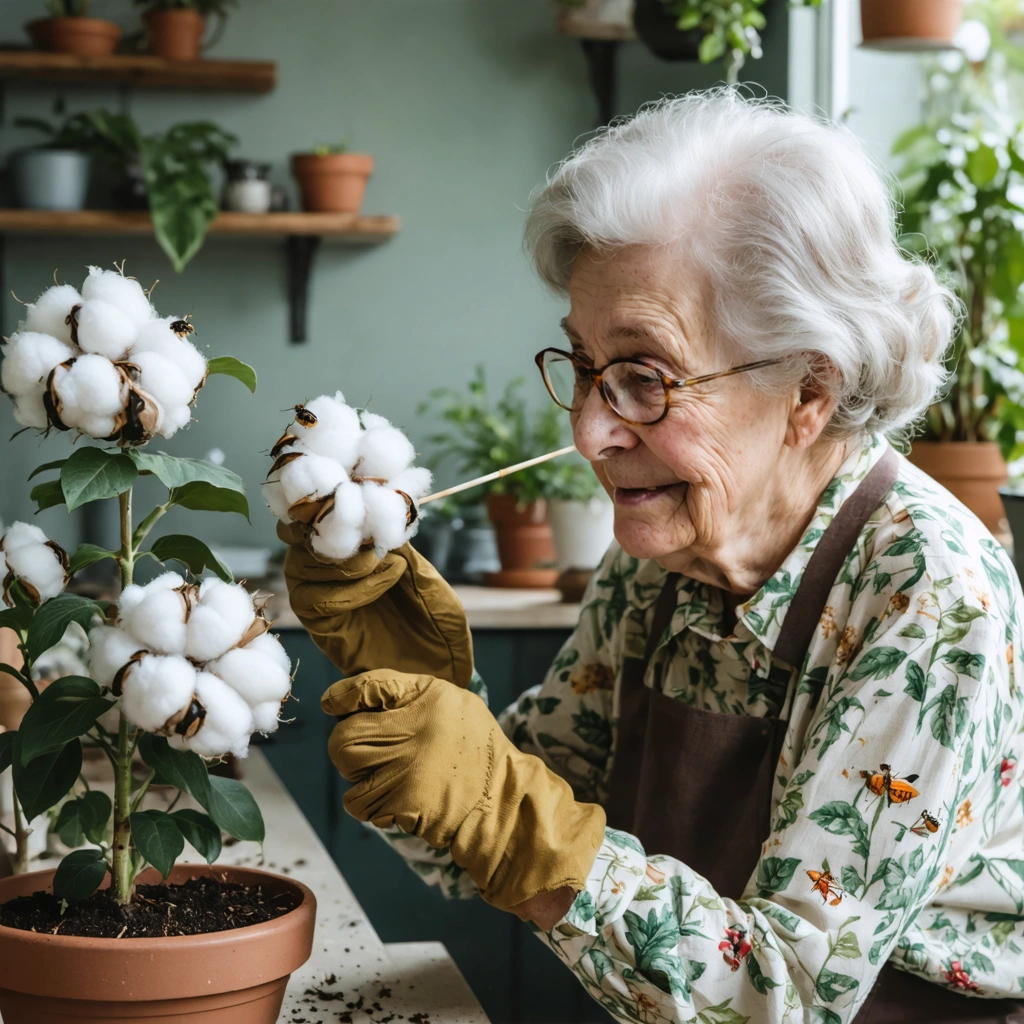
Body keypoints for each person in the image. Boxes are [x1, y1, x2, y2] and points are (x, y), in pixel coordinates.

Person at [279, 90, 1024, 1024]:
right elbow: (494, 825)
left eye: (645, 378)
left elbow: (781, 996)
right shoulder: (662, 554)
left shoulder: (931, 595)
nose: (591, 433)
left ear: (809, 392)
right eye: (585, 367)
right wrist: (415, 692)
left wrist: (519, 826)